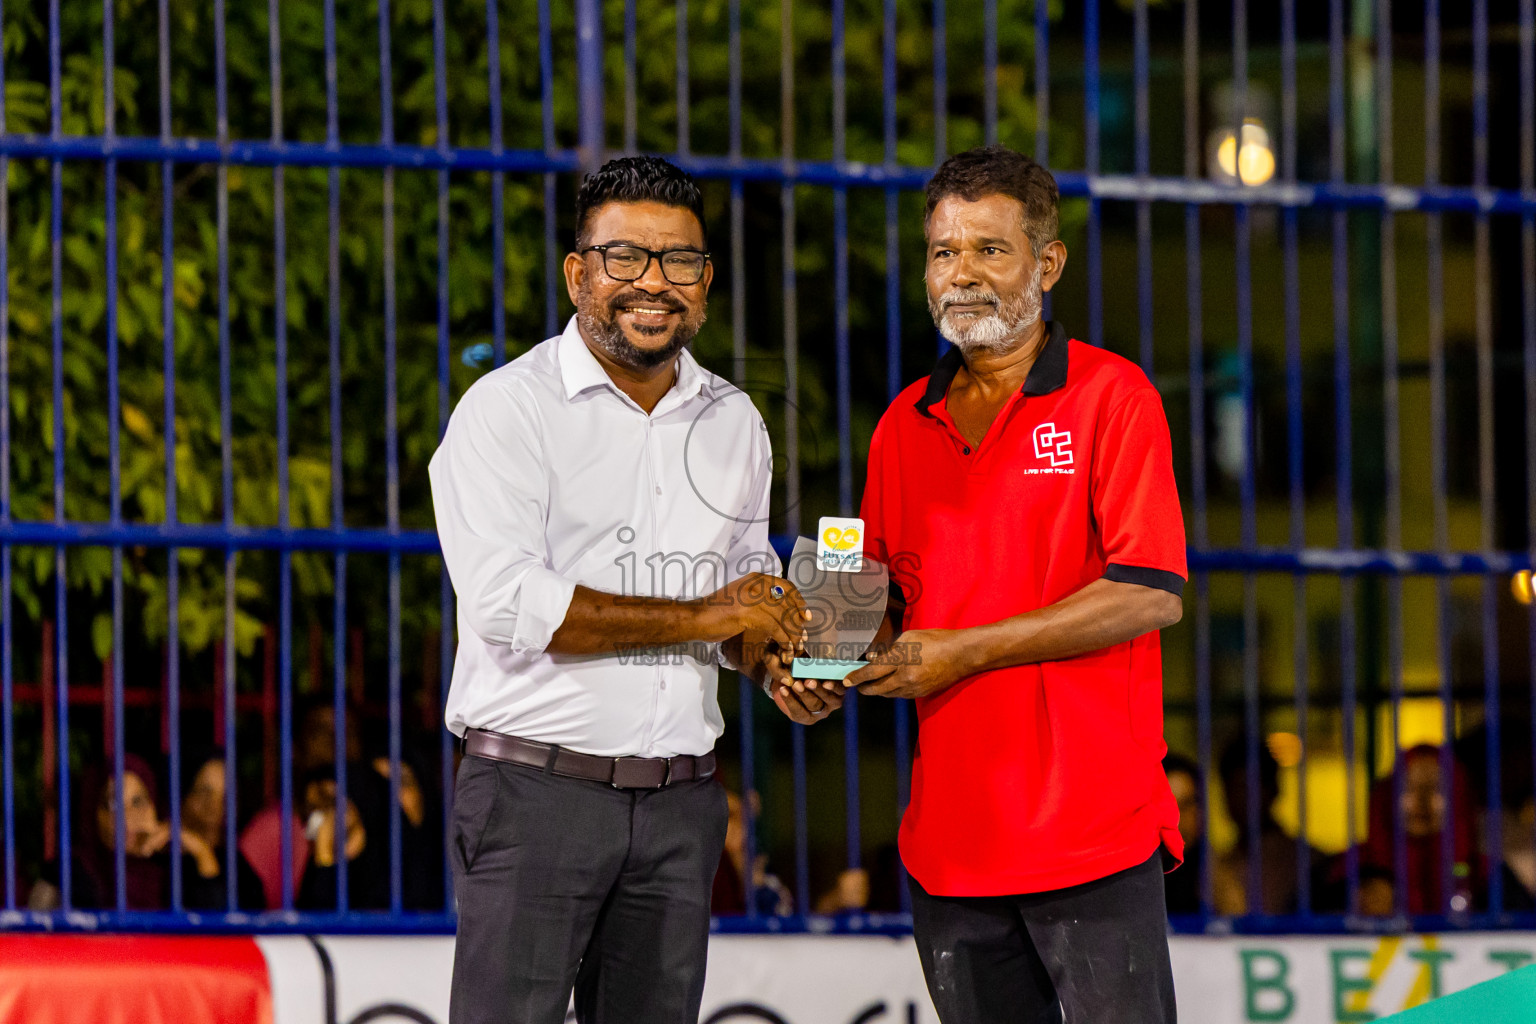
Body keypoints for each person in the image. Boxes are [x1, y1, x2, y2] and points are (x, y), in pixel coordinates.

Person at [429, 155, 830, 1024]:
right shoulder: (508, 410)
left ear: (706, 281)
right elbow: (510, 604)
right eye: (625, 258)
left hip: (683, 807)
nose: (653, 282)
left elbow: (740, 600)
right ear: (578, 275)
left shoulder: (735, 421)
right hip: (535, 798)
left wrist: (779, 666)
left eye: (679, 261)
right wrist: (712, 613)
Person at [845, 145, 1186, 1023]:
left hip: (1094, 838)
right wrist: (819, 667)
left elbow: (1151, 589)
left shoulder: (1113, 396)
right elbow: (870, 612)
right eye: (943, 251)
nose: (962, 275)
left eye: (990, 250)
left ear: (1048, 262)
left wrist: (960, 652)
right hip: (950, 854)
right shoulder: (900, 426)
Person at [29, 753, 170, 910]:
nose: (126, 816)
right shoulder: (66, 875)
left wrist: (201, 857)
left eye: (137, 802)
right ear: (92, 814)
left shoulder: (175, 870)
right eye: (112, 804)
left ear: (154, 807)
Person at [1357, 744, 1480, 916]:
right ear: (1388, 796)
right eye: (1408, 787)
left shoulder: (1486, 876)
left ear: (1458, 798)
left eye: (1437, 788)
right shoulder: (1354, 870)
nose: (1422, 801)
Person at [179, 749, 266, 911]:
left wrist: (203, 855)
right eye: (205, 791)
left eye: (226, 795)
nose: (215, 805)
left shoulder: (242, 872)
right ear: (183, 795)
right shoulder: (159, 867)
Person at [1162, 752, 1206, 916]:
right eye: (1170, 805)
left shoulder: (1213, 870)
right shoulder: (1137, 872)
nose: (1179, 818)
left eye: (1187, 804)